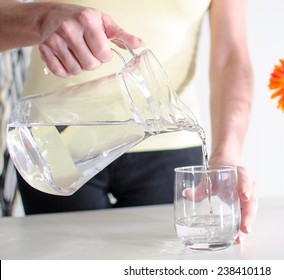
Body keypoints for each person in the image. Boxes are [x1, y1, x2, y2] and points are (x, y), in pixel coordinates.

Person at [0, 0, 257, 243]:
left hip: (170, 144)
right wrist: (41, 18)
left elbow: (231, 59)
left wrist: (225, 159)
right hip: (54, 142)